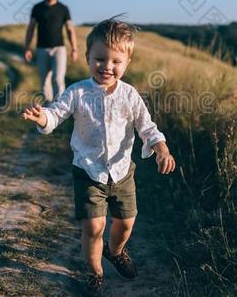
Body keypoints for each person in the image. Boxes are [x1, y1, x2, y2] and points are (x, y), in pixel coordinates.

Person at [21, 17, 176, 296]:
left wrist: (161, 148)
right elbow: (56, 114)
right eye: (100, 59)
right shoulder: (78, 92)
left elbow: (146, 126)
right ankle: (96, 274)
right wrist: (42, 117)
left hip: (121, 172)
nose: (107, 66)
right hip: (88, 171)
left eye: (116, 61)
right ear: (87, 58)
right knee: (94, 226)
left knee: (125, 222)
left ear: (127, 63)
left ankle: (115, 251)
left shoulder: (130, 96)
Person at [24, 0, 78, 103]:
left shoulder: (63, 9)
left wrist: (74, 48)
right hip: (41, 49)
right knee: (44, 82)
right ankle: (48, 108)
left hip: (59, 49)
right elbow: (31, 28)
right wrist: (27, 48)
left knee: (58, 79)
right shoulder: (37, 8)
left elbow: (70, 29)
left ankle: (60, 108)